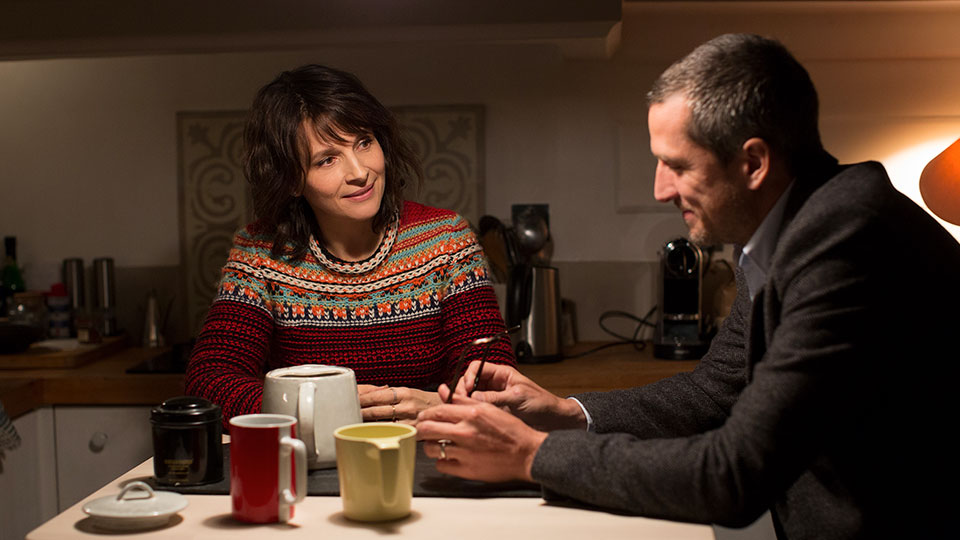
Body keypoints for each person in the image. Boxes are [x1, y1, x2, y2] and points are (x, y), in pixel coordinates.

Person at [415, 34, 959, 539]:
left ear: (753, 162)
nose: (659, 190)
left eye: (676, 165)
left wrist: (530, 455)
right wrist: (565, 413)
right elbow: (714, 392)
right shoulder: (792, 230)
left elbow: (733, 477)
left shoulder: (848, 245)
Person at [185, 64, 514, 425]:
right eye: (327, 159)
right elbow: (208, 383)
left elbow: (494, 377)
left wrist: (440, 404)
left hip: (432, 454)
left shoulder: (446, 240)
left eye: (364, 142)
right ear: (292, 180)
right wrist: (320, 403)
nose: (359, 172)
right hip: (311, 466)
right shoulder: (260, 254)